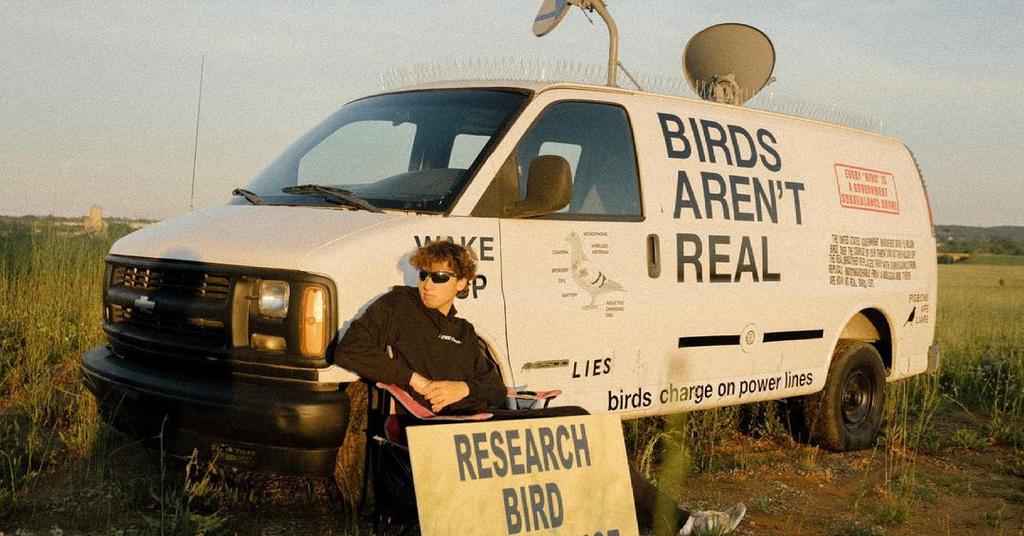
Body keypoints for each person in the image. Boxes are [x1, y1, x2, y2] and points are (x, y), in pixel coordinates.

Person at [336, 240, 745, 536]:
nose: (427, 283)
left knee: (585, 430)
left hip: (479, 418)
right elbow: (348, 350)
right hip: (429, 425)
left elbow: (493, 390)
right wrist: (416, 381)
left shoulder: (464, 332)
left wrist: (462, 387)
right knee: (580, 427)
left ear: (462, 282)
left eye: (439, 277)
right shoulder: (397, 307)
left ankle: (680, 522)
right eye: (424, 274)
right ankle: (683, 524)